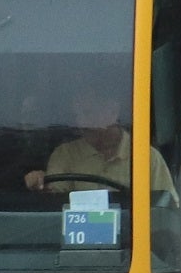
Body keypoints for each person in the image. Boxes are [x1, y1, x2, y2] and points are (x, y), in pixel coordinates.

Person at [27, 82, 172, 199]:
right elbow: (53, 206)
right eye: (77, 115)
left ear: (113, 111)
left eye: (87, 113)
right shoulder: (65, 155)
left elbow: (165, 209)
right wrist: (39, 183)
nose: (81, 122)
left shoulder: (148, 158)